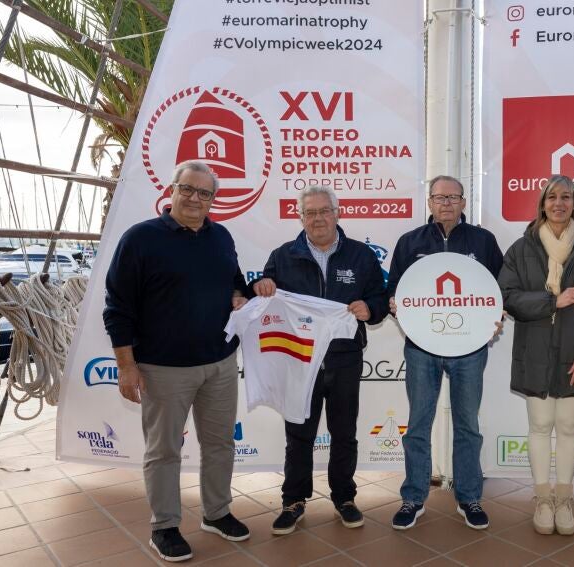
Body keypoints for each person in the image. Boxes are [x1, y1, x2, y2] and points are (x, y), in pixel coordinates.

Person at [103, 160, 251, 562]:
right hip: (163, 369)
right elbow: (117, 308)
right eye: (187, 189)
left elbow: (234, 282)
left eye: (205, 193)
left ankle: (217, 513)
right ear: (172, 190)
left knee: (220, 444)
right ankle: (164, 526)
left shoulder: (221, 237)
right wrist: (126, 366)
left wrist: (240, 295)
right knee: (164, 450)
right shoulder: (140, 238)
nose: (195, 198)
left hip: (220, 363)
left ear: (213, 199)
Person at [250, 186, 388, 535]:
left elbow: (380, 297)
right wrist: (262, 286)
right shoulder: (283, 256)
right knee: (299, 433)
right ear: (301, 218)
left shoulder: (361, 255)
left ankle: (345, 498)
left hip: (345, 359)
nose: (318, 219)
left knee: (344, 433)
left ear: (337, 214)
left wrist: (370, 308)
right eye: (310, 213)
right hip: (299, 360)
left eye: (324, 211)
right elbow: (266, 293)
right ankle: (293, 501)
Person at [385, 175, 504, 531]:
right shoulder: (410, 242)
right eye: (440, 197)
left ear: (464, 202)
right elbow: (394, 288)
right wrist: (394, 304)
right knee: (418, 424)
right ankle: (413, 497)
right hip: (421, 347)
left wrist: (495, 316)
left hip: (469, 347)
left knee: (468, 424)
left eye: (453, 197)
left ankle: (469, 497)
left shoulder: (483, 241)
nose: (447, 203)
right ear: (430, 202)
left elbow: (500, 288)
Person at [498, 174, 574, 535]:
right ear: (542, 203)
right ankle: (543, 499)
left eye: (566, 197)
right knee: (539, 426)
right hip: (534, 352)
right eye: (552, 197)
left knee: (567, 427)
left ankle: (563, 499)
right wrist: (553, 301)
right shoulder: (521, 248)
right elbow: (507, 297)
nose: (559, 203)